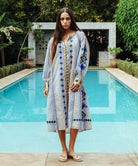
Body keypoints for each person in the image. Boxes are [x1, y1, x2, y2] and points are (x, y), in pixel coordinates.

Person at [42, 7, 92, 162]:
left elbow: (84, 56)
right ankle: (63, 149)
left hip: (74, 83)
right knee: (60, 116)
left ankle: (72, 149)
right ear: (59, 21)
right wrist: (46, 83)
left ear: (71, 20)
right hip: (57, 83)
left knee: (75, 113)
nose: (65, 22)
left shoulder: (80, 36)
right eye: (62, 19)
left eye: (67, 18)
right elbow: (49, 63)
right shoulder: (54, 39)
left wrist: (78, 79)